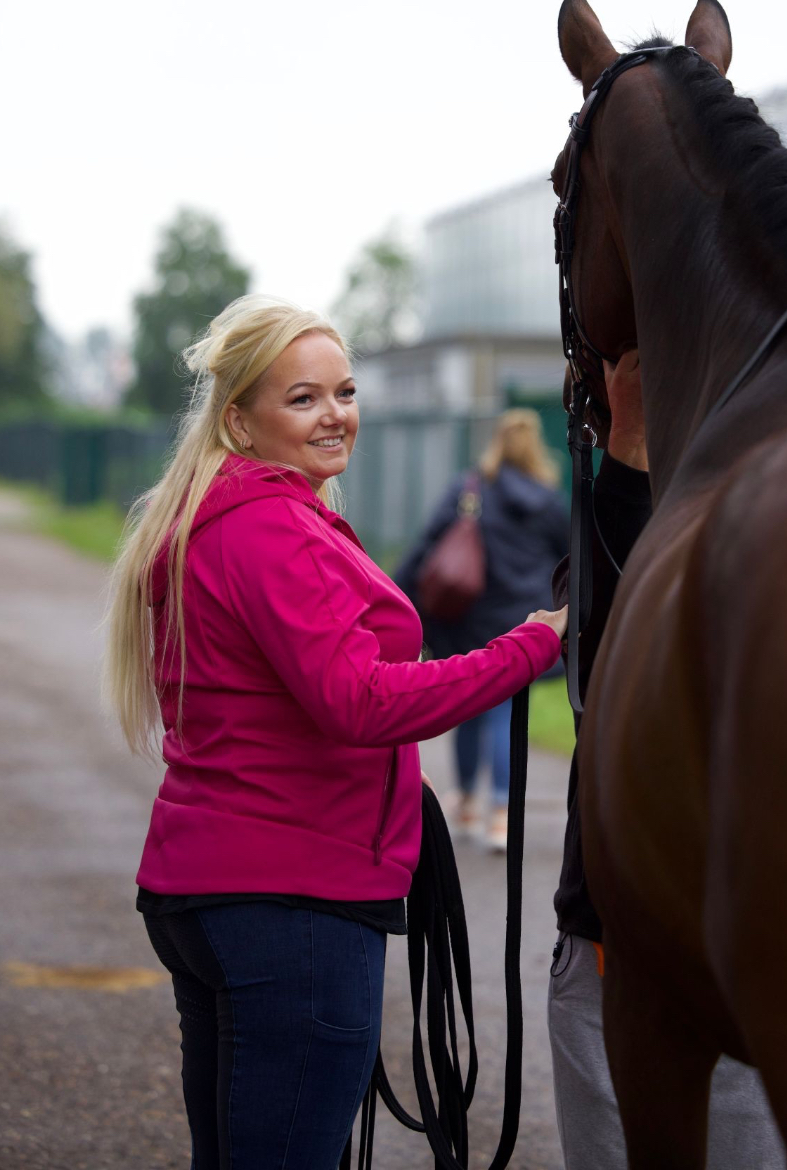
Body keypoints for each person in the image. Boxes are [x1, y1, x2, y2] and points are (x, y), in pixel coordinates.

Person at [103, 295, 565, 1170]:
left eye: (344, 392)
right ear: (239, 421)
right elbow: (360, 701)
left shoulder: (226, 516)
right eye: (303, 398)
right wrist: (528, 646)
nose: (335, 415)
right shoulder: (270, 526)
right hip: (290, 900)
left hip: (223, 887)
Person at [548, 353, 786, 1170]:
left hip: (733, 947)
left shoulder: (782, 539)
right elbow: (594, 633)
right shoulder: (612, 528)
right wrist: (625, 459)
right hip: (620, 942)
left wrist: (628, 453)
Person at [394, 408, 568, 850]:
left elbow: (427, 544)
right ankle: (501, 818)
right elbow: (571, 554)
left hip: (471, 617)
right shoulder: (547, 500)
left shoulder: (467, 490)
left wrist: (397, 594)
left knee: (470, 707)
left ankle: (469, 805)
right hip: (526, 618)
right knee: (506, 712)